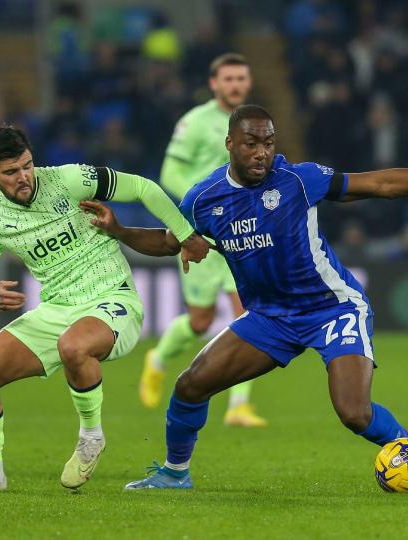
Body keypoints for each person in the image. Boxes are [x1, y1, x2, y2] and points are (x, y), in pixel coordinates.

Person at [112, 105, 408, 490]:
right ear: (230, 144)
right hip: (270, 318)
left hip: (332, 308)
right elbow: (168, 241)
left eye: (268, 143)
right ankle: (175, 473)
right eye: (250, 144)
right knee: (190, 385)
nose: (261, 153)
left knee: (354, 413)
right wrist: (118, 230)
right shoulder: (204, 199)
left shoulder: (298, 179)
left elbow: (379, 184)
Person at [0, 125, 210, 494]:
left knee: (74, 345)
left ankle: (91, 437)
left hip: (112, 298)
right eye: (11, 172)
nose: (24, 177)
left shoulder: (69, 179)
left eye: (27, 165)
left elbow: (143, 187)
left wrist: (185, 234)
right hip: (56, 309)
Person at [141, 53, 267, 427]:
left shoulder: (256, 124)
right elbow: (169, 172)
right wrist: (206, 202)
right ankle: (158, 359)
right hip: (199, 233)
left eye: (241, 78)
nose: (235, 85)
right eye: (228, 78)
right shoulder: (194, 122)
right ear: (214, 83)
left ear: (249, 82)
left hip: (242, 232)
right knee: (200, 321)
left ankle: (238, 405)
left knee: (249, 314)